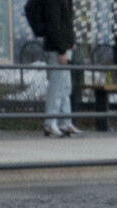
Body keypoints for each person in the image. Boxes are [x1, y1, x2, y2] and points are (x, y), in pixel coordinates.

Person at [43, 0, 83, 137]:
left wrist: (70, 42)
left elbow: (65, 23)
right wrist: (61, 49)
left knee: (65, 87)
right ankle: (51, 123)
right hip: (58, 49)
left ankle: (65, 122)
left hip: (64, 47)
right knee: (57, 87)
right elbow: (53, 25)